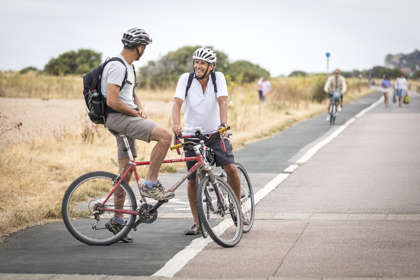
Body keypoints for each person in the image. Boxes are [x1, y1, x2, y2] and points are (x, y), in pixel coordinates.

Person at [102, 27, 173, 242]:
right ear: (139, 47)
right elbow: (112, 101)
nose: (145, 51)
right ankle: (151, 183)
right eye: (145, 47)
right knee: (165, 136)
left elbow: (131, 93)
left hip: (125, 118)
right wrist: (134, 113)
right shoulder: (117, 66)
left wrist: (139, 109)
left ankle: (117, 220)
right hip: (118, 118)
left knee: (125, 172)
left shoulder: (128, 67)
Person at [172, 47, 242, 235]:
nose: (198, 66)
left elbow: (222, 101)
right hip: (191, 134)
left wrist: (223, 124)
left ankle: (237, 208)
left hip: (215, 132)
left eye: (202, 63)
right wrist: (176, 125)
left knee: (231, 168)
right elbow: (177, 103)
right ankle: (197, 223)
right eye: (196, 62)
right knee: (192, 179)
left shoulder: (217, 78)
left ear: (211, 66)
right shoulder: (185, 80)